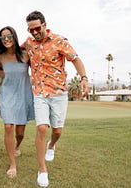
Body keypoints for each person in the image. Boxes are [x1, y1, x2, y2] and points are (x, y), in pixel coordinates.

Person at [22, 11, 89, 187]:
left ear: (44, 25)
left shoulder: (59, 40)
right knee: (42, 128)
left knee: (57, 130)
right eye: (31, 30)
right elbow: (12, 47)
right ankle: (42, 169)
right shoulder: (28, 42)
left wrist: (84, 78)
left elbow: (75, 59)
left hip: (58, 93)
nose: (34, 33)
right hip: (39, 92)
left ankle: (52, 145)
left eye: (37, 28)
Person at [0, 26, 35, 178]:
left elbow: (36, 70)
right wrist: (6, 75)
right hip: (7, 93)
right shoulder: (0, 56)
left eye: (9, 36)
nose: (6, 39)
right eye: (3, 37)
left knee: (20, 132)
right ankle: (12, 163)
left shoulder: (25, 55)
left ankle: (17, 145)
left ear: (14, 36)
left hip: (23, 93)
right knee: (8, 127)